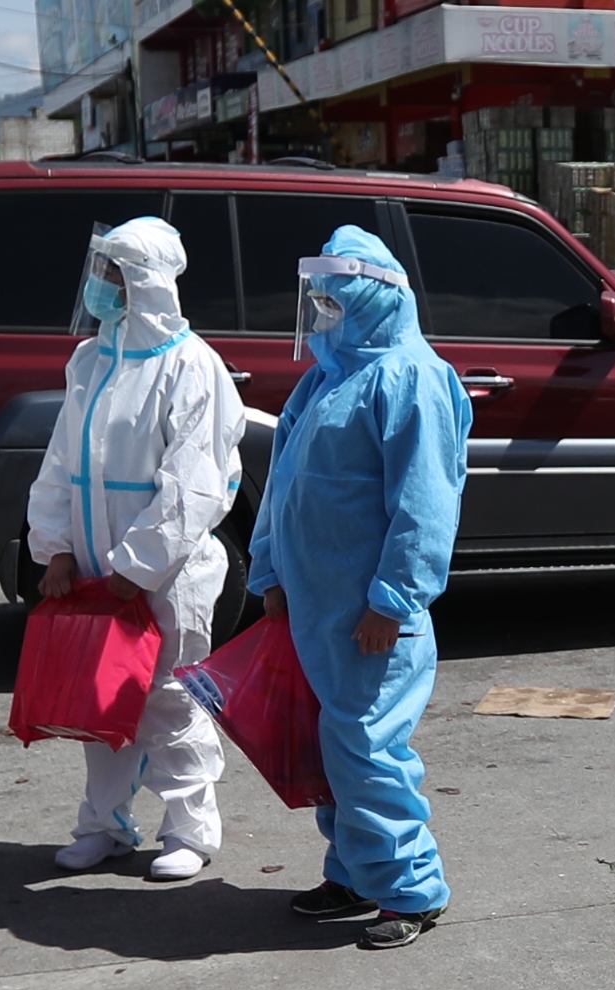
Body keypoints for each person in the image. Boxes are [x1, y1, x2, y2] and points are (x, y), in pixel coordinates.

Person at [248, 225, 470, 950]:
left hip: (369, 616)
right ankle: (354, 871)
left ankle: (410, 888)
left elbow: (425, 503)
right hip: (317, 608)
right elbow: (283, 483)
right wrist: (270, 570)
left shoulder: (412, 377)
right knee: (334, 750)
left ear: (375, 297)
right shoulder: (327, 378)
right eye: (320, 303)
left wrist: (392, 601)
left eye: (336, 303)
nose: (325, 317)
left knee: (369, 750)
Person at [25, 216, 246, 881]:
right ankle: (103, 825)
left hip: (165, 576)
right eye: (99, 272)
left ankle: (189, 830)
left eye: (111, 274)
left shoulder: (192, 366)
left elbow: (197, 483)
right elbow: (62, 461)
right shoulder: (92, 359)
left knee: (172, 700)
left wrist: (139, 564)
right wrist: (56, 547)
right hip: (96, 570)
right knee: (102, 703)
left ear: (145, 282)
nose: (99, 286)